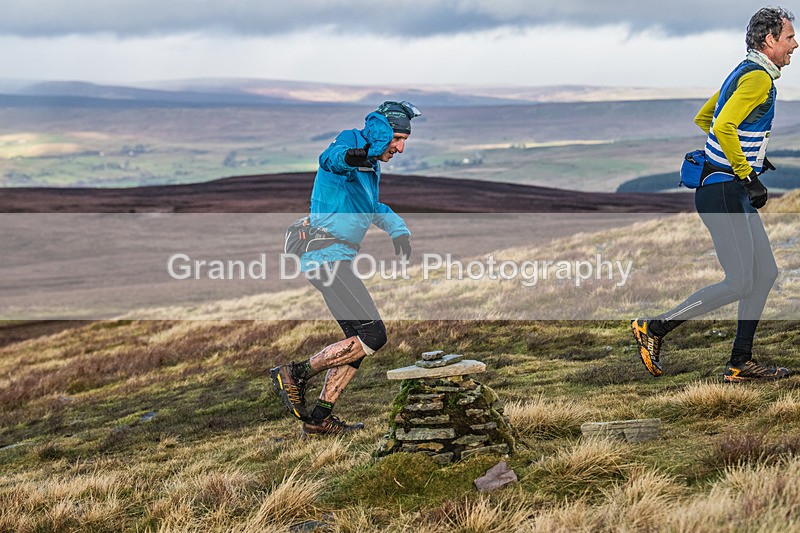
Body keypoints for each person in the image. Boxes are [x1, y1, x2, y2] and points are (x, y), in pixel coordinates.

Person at [632, 6, 797, 383]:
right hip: (723, 191)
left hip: (726, 190)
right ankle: (654, 327)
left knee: (765, 273)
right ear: (769, 40)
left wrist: (750, 154)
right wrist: (746, 172)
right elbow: (721, 125)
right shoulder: (758, 79)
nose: (795, 44)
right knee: (739, 281)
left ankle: (740, 362)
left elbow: (706, 118)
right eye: (789, 37)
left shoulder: (742, 71)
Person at [271, 101, 420, 435]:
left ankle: (319, 418)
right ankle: (295, 373)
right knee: (374, 335)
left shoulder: (370, 167)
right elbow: (330, 160)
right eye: (397, 139)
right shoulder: (350, 144)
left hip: (333, 257)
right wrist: (351, 157)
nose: (400, 148)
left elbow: (371, 206)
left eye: (404, 141)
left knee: (357, 341)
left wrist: (398, 231)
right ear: (382, 132)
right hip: (326, 257)